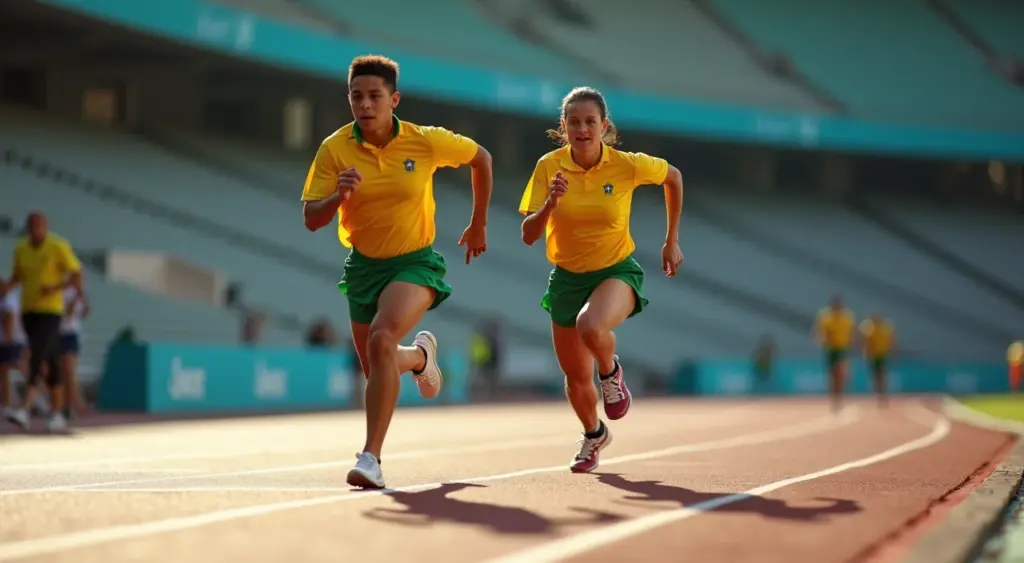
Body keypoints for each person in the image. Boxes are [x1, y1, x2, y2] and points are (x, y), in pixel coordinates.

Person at [301, 55, 493, 489]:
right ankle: (420, 357)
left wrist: (478, 222)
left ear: (394, 100)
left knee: (381, 338)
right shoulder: (335, 149)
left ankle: (370, 458)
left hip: (414, 262)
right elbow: (311, 219)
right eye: (356, 96)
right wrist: (337, 198)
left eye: (375, 96)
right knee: (377, 363)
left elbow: (481, 158)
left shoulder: (424, 141)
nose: (365, 105)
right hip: (363, 267)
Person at [519, 86, 684, 474]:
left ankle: (611, 373)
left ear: (604, 126)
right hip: (566, 278)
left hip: (614, 271)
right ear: (563, 127)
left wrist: (671, 240)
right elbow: (527, 235)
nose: (582, 129)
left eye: (590, 122)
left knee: (590, 325)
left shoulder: (626, 165)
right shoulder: (549, 166)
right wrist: (550, 205)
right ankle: (594, 434)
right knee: (577, 380)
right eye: (574, 122)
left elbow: (673, 178)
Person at [1, 211, 83, 432]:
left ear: (46, 226)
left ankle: (24, 409)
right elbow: (18, 276)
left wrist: (55, 288)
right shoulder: (21, 248)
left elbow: (76, 275)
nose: (35, 228)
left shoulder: (58, 246)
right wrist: (7, 286)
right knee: (51, 361)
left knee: (36, 354)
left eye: (39, 224)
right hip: (29, 310)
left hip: (51, 310)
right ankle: (56, 415)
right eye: (31, 225)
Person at [813, 295, 856, 413]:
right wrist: (823, 339)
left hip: (843, 348)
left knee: (840, 373)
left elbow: (851, 332)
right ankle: (834, 398)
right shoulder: (825, 316)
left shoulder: (847, 316)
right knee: (832, 375)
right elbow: (820, 331)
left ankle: (839, 397)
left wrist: (852, 342)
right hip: (831, 348)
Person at [59, 285, 89, 421]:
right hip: (56, 333)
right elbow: (66, 312)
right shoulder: (58, 290)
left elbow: (84, 312)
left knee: (69, 372)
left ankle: (70, 407)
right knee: (60, 372)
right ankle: (62, 406)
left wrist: (83, 297)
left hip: (70, 334)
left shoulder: (74, 290)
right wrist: (76, 298)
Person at [1, 285, 28, 422]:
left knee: (21, 369)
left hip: (12, 342)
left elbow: (9, 320)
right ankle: (6, 405)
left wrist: (9, 341)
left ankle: (39, 402)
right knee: (4, 374)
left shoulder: (9, 300)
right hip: (8, 341)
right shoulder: (6, 300)